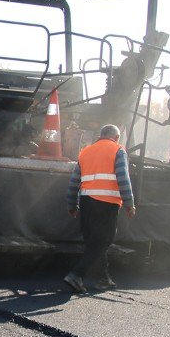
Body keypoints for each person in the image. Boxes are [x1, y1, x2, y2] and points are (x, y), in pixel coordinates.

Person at [63, 124, 137, 293]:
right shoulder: (118, 150)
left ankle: (103, 279)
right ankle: (76, 274)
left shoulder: (86, 151)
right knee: (103, 241)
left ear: (100, 135)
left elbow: (74, 181)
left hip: (87, 201)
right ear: (116, 138)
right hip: (107, 203)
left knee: (94, 242)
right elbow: (123, 178)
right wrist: (129, 203)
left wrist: (72, 204)